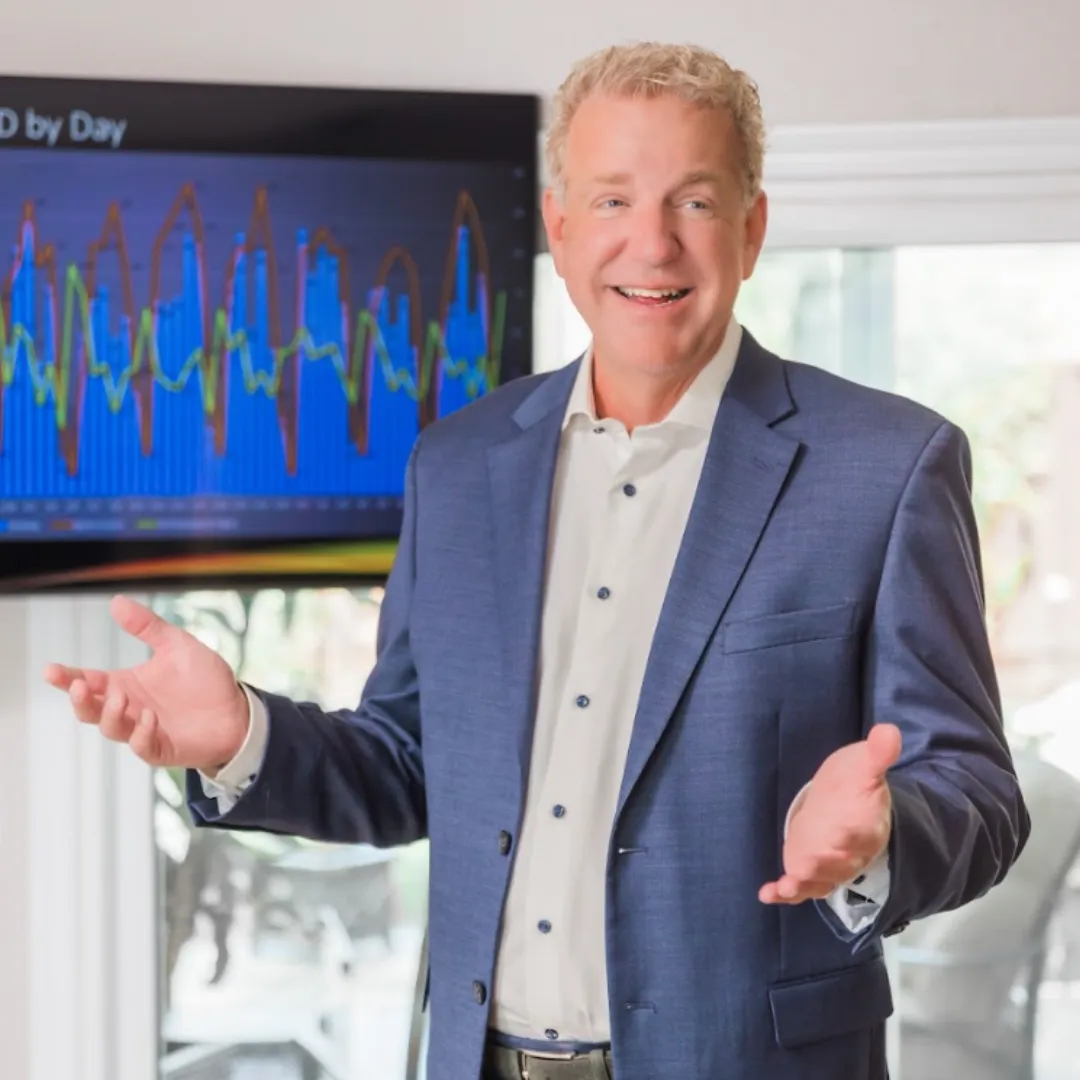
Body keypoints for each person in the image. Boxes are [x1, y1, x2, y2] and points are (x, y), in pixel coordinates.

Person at [45, 41, 1030, 1080]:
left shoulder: (887, 466)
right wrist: (243, 734)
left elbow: (976, 789)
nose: (650, 245)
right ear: (559, 227)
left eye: (693, 202)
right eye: (612, 201)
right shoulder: (458, 464)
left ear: (752, 227)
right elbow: (411, 763)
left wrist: (880, 835)